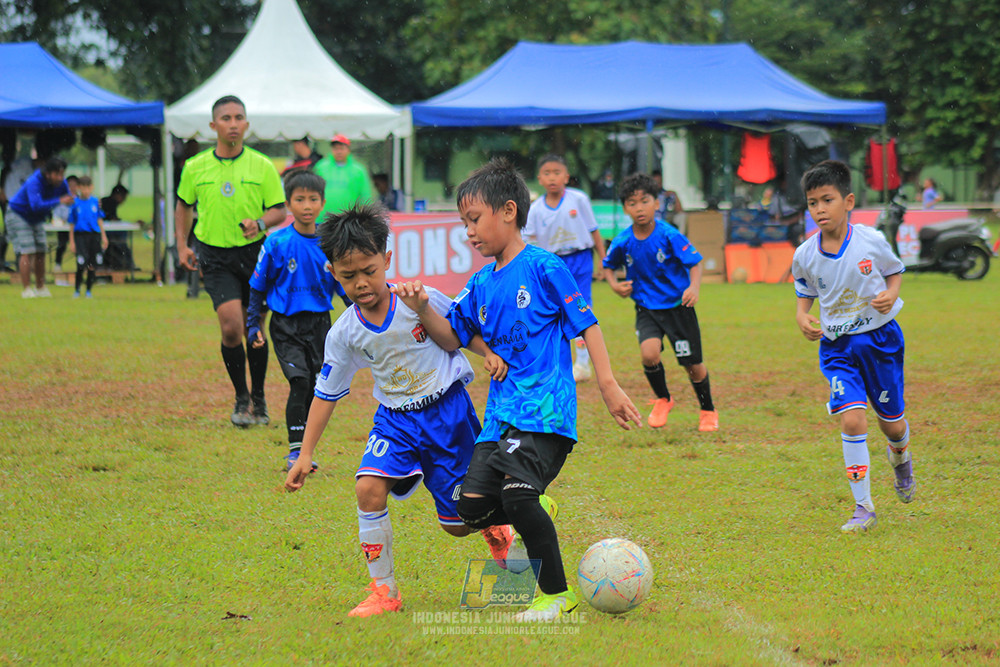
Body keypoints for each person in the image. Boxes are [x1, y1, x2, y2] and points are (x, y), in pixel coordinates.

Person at [393, 158, 642, 622]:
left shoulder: (544, 267)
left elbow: (587, 325)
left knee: (517, 497)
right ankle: (536, 506)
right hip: (499, 418)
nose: (469, 232)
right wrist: (423, 308)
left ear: (508, 211)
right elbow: (451, 336)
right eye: (464, 223)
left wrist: (608, 385)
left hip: (544, 412)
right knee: (467, 511)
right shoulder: (479, 284)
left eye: (474, 219)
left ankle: (557, 597)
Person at [284, 202, 513, 618]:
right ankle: (384, 592)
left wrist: (488, 354)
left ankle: (498, 528)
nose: (361, 283)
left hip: (447, 416)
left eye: (369, 270)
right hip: (395, 421)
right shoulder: (344, 333)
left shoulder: (417, 299)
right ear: (332, 272)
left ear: (387, 260)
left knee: (458, 524)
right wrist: (305, 452)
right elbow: (326, 393)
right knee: (367, 488)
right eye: (348, 276)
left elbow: (459, 331)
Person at [791, 160, 915, 533]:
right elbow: (805, 291)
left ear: (848, 201)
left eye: (827, 200)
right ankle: (863, 507)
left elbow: (894, 272)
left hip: (880, 341)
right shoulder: (805, 254)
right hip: (837, 348)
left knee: (892, 424)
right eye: (812, 203)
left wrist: (890, 294)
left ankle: (901, 457)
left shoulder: (870, 241)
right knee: (851, 418)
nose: (820, 209)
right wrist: (802, 315)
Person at [175, 95, 287, 427]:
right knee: (231, 327)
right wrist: (182, 245)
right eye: (226, 118)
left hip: (255, 255)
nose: (233, 124)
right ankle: (241, 397)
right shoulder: (195, 167)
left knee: (255, 329)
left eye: (239, 118)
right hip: (214, 255)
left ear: (247, 124)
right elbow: (183, 206)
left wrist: (260, 223)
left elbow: (279, 209)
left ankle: (260, 399)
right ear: (213, 125)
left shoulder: (262, 165)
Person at [246, 171, 349, 470]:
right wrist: (253, 324)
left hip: (320, 325)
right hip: (285, 325)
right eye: (300, 199)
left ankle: (304, 449)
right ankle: (295, 452)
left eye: (313, 199)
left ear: (323, 203)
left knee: (317, 387)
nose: (307, 206)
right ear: (288, 204)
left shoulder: (330, 244)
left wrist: (364, 313)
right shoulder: (277, 242)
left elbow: (344, 287)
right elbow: (257, 286)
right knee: (299, 382)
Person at [602, 173, 720, 433]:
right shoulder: (623, 240)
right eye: (632, 203)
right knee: (649, 354)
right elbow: (608, 265)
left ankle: (708, 409)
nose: (639, 208)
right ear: (625, 208)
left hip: (678, 307)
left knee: (692, 365)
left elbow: (695, 263)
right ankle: (663, 399)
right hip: (646, 307)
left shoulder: (669, 235)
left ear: (656, 203)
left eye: (645, 201)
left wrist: (693, 287)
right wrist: (614, 285)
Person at [525, 154, 606, 382]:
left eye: (557, 172)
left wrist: (603, 259)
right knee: (553, 311)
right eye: (547, 173)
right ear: (539, 179)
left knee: (581, 307)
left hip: (580, 260)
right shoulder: (535, 210)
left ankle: (582, 363)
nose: (552, 178)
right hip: (552, 264)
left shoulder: (579, 199)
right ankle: (555, 363)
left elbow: (593, 229)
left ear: (567, 177)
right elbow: (528, 241)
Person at [6, 155, 73, 298]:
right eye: (57, 174)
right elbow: (36, 205)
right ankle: (27, 289)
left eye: (62, 174)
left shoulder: (62, 183)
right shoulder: (34, 181)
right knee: (27, 250)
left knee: (41, 250)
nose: (60, 178)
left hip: (36, 218)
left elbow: (70, 199)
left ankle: (40, 288)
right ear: (48, 173)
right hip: (19, 214)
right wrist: (59, 200)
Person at [313, 134, 372, 219]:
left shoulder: (358, 171)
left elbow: (365, 196)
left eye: (341, 148)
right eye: (336, 148)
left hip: (348, 220)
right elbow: (312, 191)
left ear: (348, 150)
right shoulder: (321, 167)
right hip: (322, 218)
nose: (339, 151)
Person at [67, 175, 108, 298]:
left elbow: (99, 219)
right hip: (80, 236)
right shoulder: (75, 203)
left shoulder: (95, 202)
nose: (85, 190)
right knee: (81, 263)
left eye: (87, 188)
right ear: (79, 188)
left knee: (92, 265)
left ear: (91, 188)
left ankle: (89, 290)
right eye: (82, 187)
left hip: (94, 236)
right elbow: (72, 223)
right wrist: (72, 241)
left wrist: (104, 236)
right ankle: (77, 289)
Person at [52, 174, 79, 273]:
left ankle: (81, 266)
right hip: (64, 229)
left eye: (74, 185)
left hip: (77, 229)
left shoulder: (81, 200)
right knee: (62, 244)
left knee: (80, 246)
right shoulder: (61, 200)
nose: (72, 188)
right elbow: (56, 216)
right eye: (70, 185)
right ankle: (58, 264)